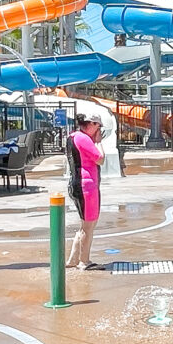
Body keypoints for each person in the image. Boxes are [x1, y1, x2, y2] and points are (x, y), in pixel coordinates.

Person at [66, 113, 106, 269]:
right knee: (89, 227)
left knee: (84, 226)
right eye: (98, 126)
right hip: (86, 186)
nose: (99, 130)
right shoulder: (83, 139)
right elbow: (100, 158)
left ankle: (73, 260)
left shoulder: (73, 136)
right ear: (91, 124)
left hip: (79, 184)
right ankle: (84, 261)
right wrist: (99, 142)